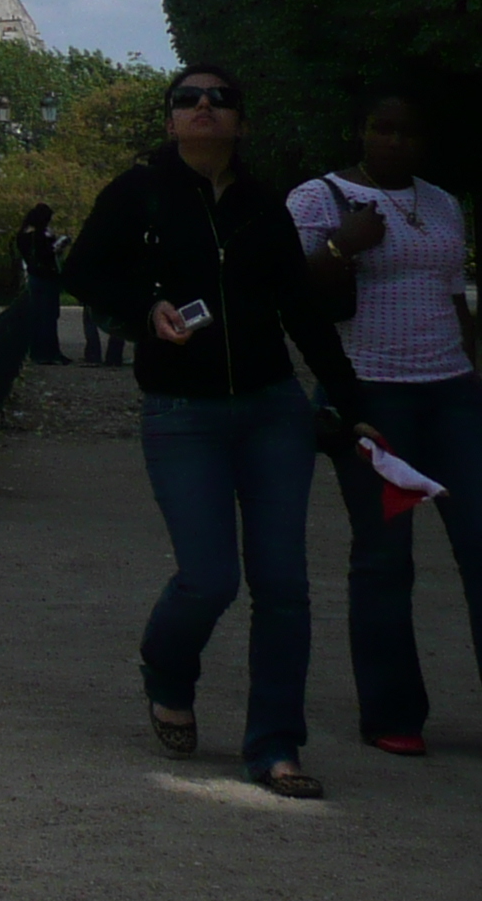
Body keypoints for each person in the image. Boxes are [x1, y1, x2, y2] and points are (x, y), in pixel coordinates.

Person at [63, 66, 378, 799]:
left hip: (272, 410)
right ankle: (168, 673)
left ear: (240, 120)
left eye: (220, 99)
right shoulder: (136, 192)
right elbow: (83, 270)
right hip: (183, 414)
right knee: (208, 578)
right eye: (187, 99)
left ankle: (275, 747)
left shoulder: (265, 205)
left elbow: (299, 309)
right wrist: (146, 310)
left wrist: (350, 398)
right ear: (170, 119)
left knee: (285, 588)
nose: (204, 108)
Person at [288, 90, 482, 758]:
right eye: (383, 129)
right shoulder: (318, 198)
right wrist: (344, 247)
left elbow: (454, 296)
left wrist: (472, 367)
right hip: (373, 395)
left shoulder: (442, 202)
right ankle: (393, 714)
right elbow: (288, 291)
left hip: (453, 391)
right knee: (385, 557)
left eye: (409, 131)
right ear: (362, 131)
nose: (396, 141)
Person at [16, 205, 71, 364]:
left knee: (38, 316)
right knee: (50, 316)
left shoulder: (23, 236)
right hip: (48, 277)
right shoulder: (43, 236)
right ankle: (50, 352)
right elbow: (49, 254)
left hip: (34, 277)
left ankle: (38, 352)